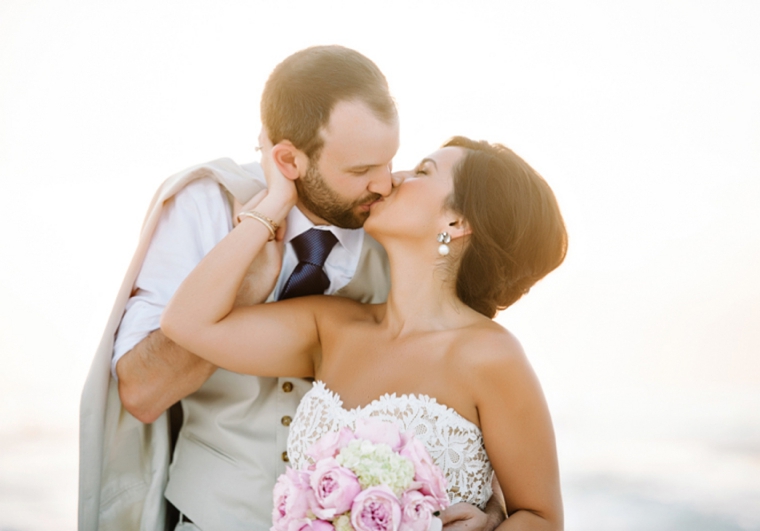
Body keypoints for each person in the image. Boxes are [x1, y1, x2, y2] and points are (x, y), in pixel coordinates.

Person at [79, 45, 504, 531]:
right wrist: (249, 280)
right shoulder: (205, 206)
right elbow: (141, 391)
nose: (385, 184)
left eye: (389, 161)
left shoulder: (399, 228)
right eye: (361, 171)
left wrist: (493, 506)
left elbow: (460, 372)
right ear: (288, 159)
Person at [160, 136, 568, 529]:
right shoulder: (331, 327)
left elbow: (541, 518)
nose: (394, 177)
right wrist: (273, 206)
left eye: (423, 171)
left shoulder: (491, 356)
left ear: (456, 221)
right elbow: (187, 323)